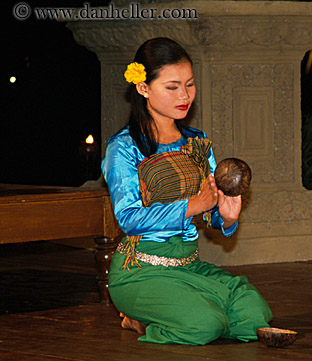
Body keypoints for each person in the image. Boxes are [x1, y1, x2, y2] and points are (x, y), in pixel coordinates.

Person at [101, 37, 272, 345]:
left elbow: (212, 214)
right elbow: (128, 218)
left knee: (253, 315)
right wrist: (191, 205)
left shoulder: (196, 142)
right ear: (143, 88)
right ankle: (140, 322)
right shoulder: (124, 147)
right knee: (205, 325)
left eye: (190, 85)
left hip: (188, 264)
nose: (184, 95)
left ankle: (190, 310)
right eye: (172, 87)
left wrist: (228, 217)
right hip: (140, 270)